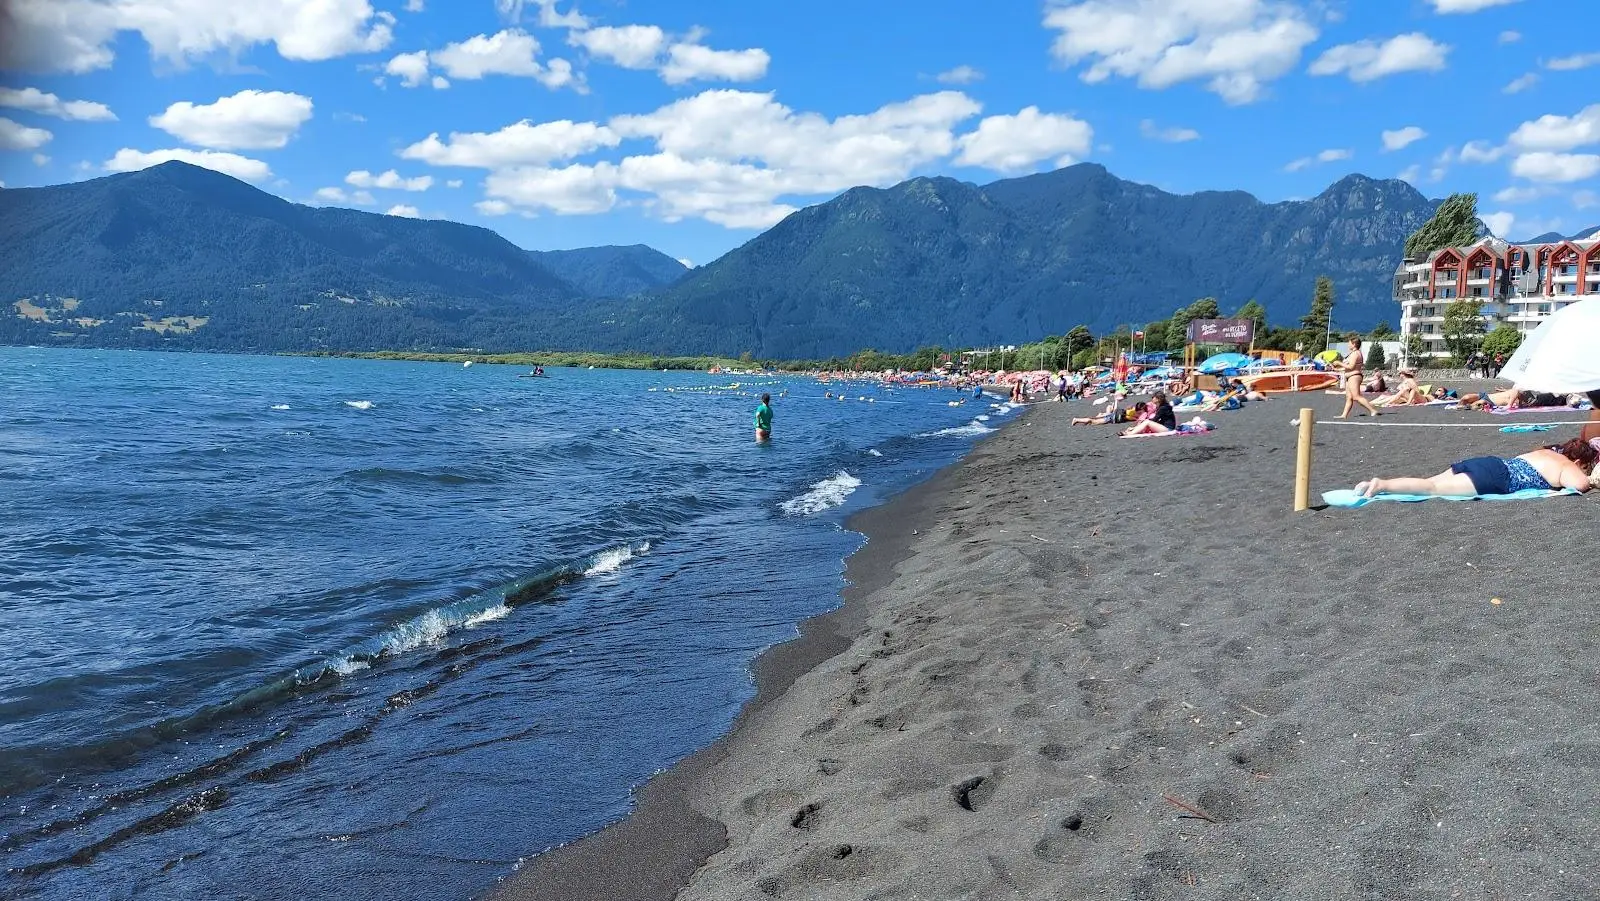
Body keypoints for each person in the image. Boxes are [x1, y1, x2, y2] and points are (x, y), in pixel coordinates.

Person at [1355, 437, 1598, 498]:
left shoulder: (1545, 452)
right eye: (1585, 466)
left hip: (1490, 463)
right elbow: (1580, 484)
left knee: (1430, 482)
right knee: (1431, 489)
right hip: (1497, 477)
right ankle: (1381, 484)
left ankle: (1379, 484)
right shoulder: (1566, 465)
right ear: (1578, 461)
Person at [1334, 334, 1381, 419]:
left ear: (1354, 344)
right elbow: (1349, 367)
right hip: (1350, 376)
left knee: (1356, 396)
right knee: (1349, 397)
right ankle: (1344, 415)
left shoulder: (1355, 354)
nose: (1348, 345)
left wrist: (1339, 363)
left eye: (1349, 343)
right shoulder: (1353, 353)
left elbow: (1351, 367)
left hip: (1354, 376)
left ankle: (1373, 410)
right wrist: (1338, 369)